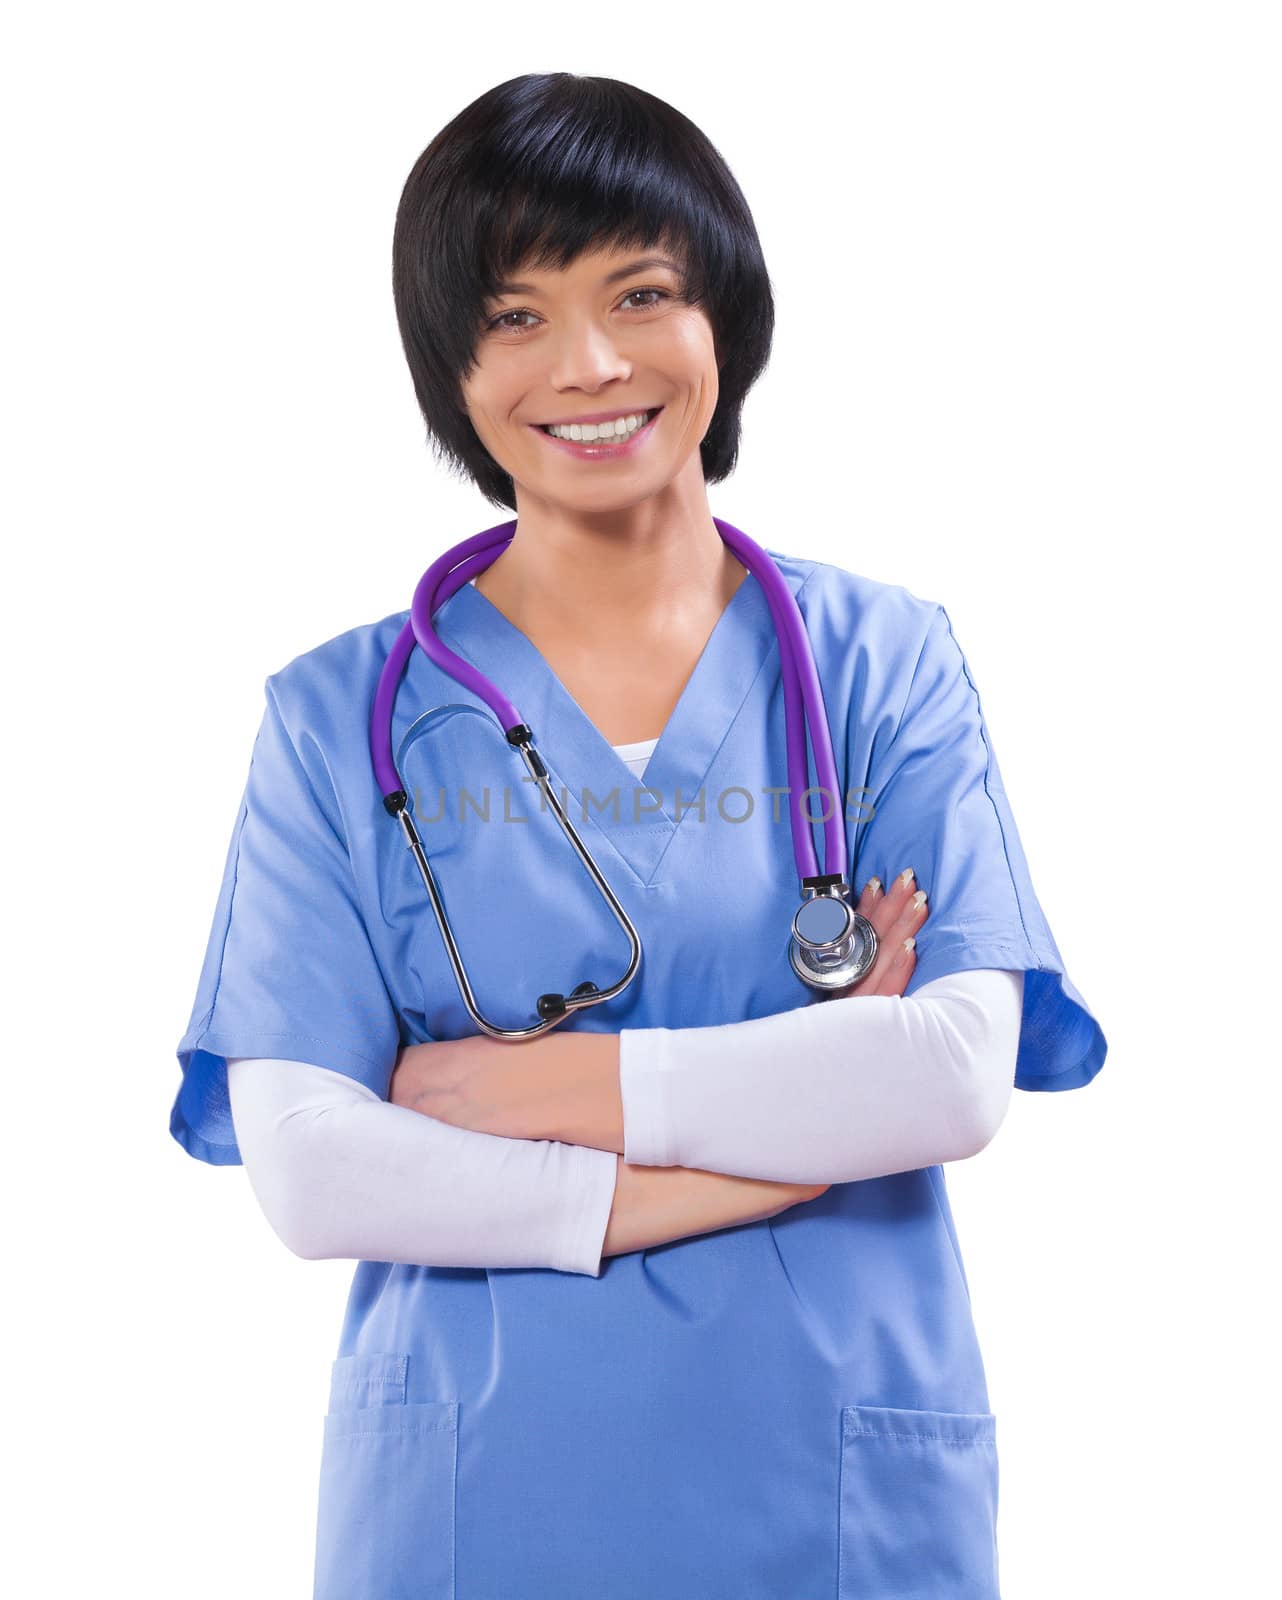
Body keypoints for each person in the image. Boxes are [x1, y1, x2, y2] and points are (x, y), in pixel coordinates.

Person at [170, 72, 1107, 1599]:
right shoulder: (339, 718)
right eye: (515, 315)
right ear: (448, 375)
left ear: (723, 318)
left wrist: (553, 1089)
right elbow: (318, 1174)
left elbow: (944, 1074)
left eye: (641, 292)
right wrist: (769, 1155)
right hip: (480, 1504)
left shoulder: (877, 665)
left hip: (836, 1497)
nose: (590, 363)